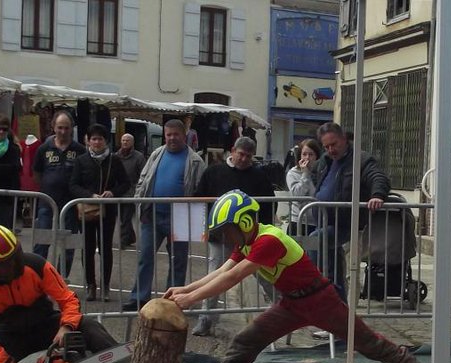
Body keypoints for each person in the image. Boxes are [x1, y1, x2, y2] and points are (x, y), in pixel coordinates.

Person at [168, 190, 431, 363]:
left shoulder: (268, 240)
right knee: (245, 342)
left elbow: (233, 277)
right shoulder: (246, 243)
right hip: (291, 303)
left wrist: (190, 300)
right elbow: (222, 270)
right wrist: (186, 289)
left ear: (245, 221)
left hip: (320, 300)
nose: (226, 236)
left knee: (366, 341)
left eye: (228, 229)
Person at [0, 223, 128, 363]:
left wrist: (66, 327)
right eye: (3, 265)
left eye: (13, 258)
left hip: (44, 323)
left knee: (89, 326)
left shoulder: (35, 265)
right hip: (9, 334)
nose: (11, 266)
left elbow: (68, 299)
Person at [191, 136, 277, 336]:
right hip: (220, 237)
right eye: (241, 154)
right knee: (216, 275)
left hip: (251, 237)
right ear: (232, 151)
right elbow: (199, 197)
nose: (244, 159)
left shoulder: (259, 176)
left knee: (265, 274)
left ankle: (285, 308)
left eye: (249, 156)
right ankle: (206, 320)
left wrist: (265, 232)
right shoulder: (214, 172)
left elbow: (269, 205)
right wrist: (203, 226)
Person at [123, 119, 206, 311]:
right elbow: (143, 179)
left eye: (175, 134)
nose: (171, 138)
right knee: (145, 257)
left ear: (184, 135)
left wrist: (195, 220)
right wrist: (140, 203)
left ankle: (173, 299)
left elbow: (201, 190)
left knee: (178, 261)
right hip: (152, 214)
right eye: (168, 135)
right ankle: (139, 297)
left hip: (181, 216)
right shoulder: (156, 154)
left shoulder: (195, 161)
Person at [314, 122, 390, 300]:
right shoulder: (325, 161)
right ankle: (335, 301)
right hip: (327, 220)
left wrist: (377, 195)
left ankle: (321, 287)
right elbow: (317, 180)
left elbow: (378, 176)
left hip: (348, 224)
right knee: (327, 259)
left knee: (317, 240)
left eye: (334, 144)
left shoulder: (360, 159)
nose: (331, 150)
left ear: (344, 139)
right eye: (326, 146)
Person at [69, 124, 131, 301]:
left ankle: (105, 286)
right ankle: (90, 285)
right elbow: (73, 185)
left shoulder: (114, 160)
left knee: (105, 248)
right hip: (86, 211)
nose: (96, 142)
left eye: (100, 139)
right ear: (88, 141)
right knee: (87, 248)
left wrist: (113, 192)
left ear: (106, 141)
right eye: (93, 138)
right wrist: (89, 195)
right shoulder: (81, 161)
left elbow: (125, 183)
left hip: (108, 211)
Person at [32, 111, 86, 268]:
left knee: (68, 246)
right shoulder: (43, 149)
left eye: (67, 128)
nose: (63, 132)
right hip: (47, 203)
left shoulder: (80, 150)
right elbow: (37, 173)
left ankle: (60, 279)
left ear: (72, 129)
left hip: (71, 204)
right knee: (42, 243)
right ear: (53, 127)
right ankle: (37, 278)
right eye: (60, 127)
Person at [285, 138, 323, 235]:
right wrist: (305, 174)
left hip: (317, 221)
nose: (307, 158)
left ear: (317, 156)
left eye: (311, 155)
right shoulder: (292, 173)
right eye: (304, 154)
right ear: (299, 156)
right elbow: (297, 195)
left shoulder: (321, 172)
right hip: (298, 221)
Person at [115, 133, 146, 249]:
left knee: (126, 218)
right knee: (123, 218)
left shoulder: (139, 157)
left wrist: (138, 189)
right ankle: (131, 237)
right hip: (118, 192)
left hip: (132, 192)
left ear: (132, 143)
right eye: (123, 140)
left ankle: (123, 242)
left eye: (127, 140)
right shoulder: (116, 156)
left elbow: (143, 174)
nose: (125, 142)